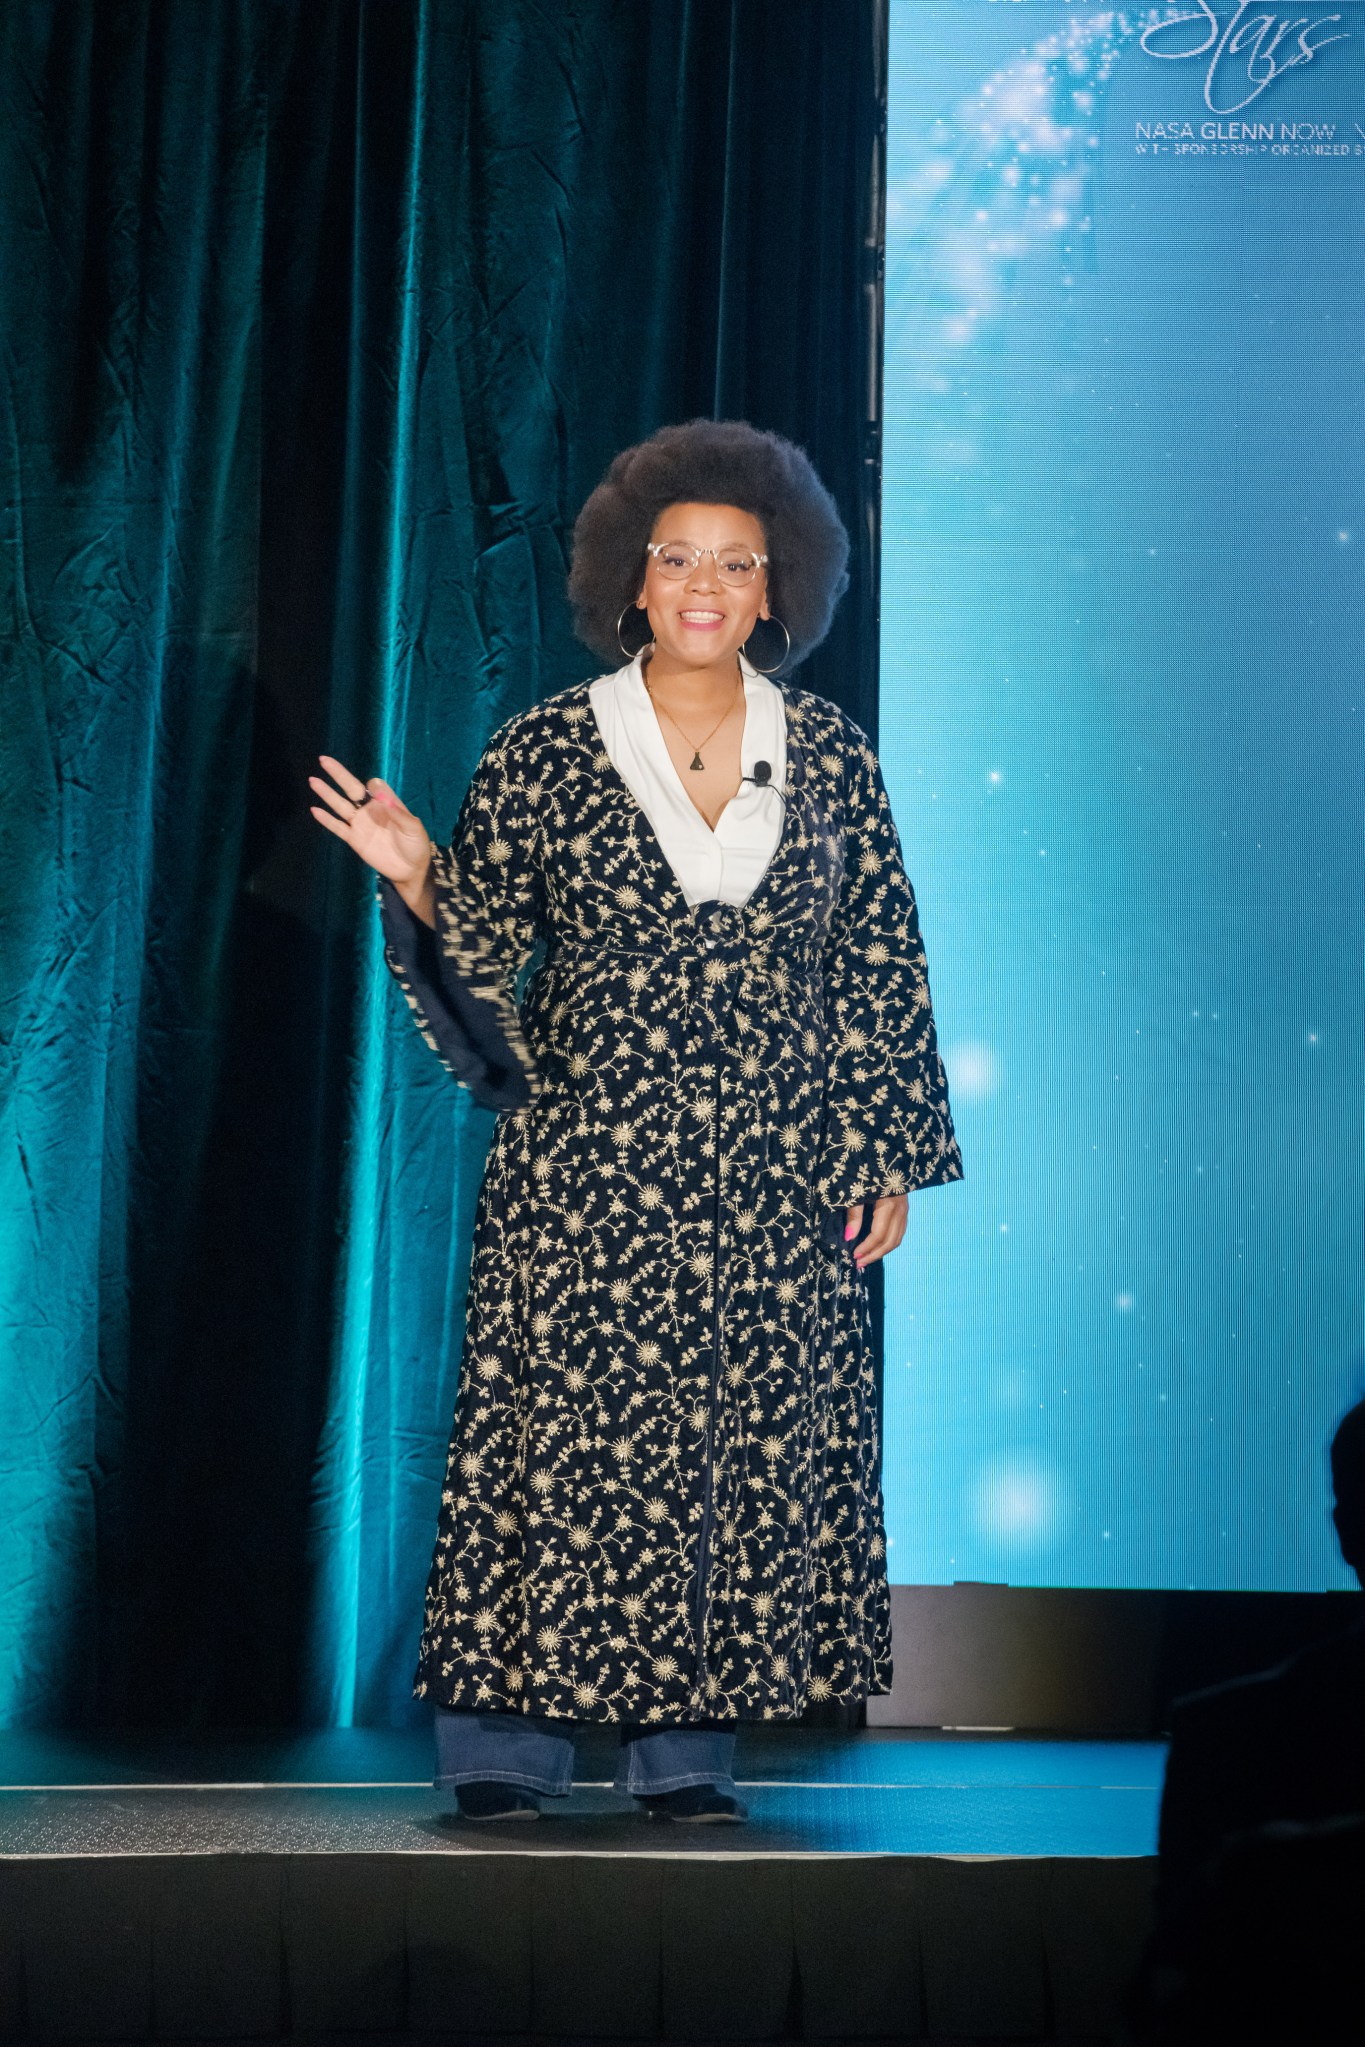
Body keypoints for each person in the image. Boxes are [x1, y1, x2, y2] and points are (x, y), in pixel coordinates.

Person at [307, 417, 963, 1822]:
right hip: (588, 1166)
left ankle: (686, 1760)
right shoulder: (549, 749)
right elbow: (484, 970)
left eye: (737, 562)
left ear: (780, 587)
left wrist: (887, 1144)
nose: (707, 585)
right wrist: (423, 878)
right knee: (555, 1444)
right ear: (634, 582)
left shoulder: (832, 756)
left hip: (775, 1178)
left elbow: (877, 959)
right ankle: (504, 1754)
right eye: (678, 561)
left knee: (735, 1448)